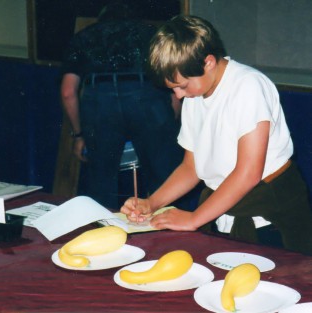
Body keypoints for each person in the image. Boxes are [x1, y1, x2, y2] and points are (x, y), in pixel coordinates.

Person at [121, 15, 312, 255]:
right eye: (173, 89)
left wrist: (194, 219)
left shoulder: (247, 86)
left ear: (208, 62)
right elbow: (191, 168)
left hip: (269, 212)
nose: (179, 96)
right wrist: (152, 203)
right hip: (222, 204)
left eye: (182, 85)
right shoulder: (196, 94)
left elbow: (248, 172)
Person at [60, 2, 191, 210]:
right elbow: (171, 78)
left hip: (99, 101)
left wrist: (78, 135)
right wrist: (170, 119)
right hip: (147, 96)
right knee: (163, 175)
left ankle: (104, 233)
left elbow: (68, 92)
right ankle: (167, 233)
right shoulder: (152, 34)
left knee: (101, 182)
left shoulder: (84, 37)